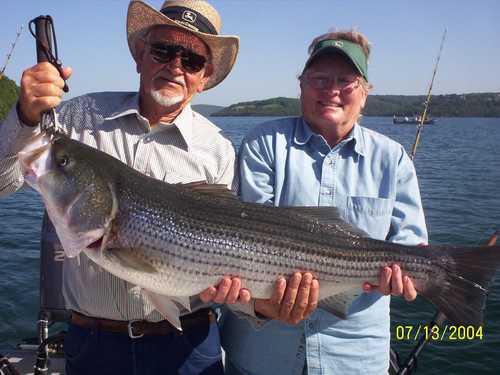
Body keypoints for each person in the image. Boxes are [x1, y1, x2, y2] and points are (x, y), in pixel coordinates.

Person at [1, 1, 319, 374]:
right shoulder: (77, 118)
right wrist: (24, 116)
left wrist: (258, 304)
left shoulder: (217, 150)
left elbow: (234, 262)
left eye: (192, 60)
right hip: (93, 343)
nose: (175, 66)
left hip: (188, 346)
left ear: (205, 76)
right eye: (163, 50)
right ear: (140, 56)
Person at [220, 30, 428, 374]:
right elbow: (249, 244)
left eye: (346, 81)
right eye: (319, 79)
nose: (331, 90)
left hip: (355, 358)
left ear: (365, 93)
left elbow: (409, 243)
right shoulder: (264, 144)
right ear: (301, 85)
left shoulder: (393, 159)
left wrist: (406, 275)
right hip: (262, 355)